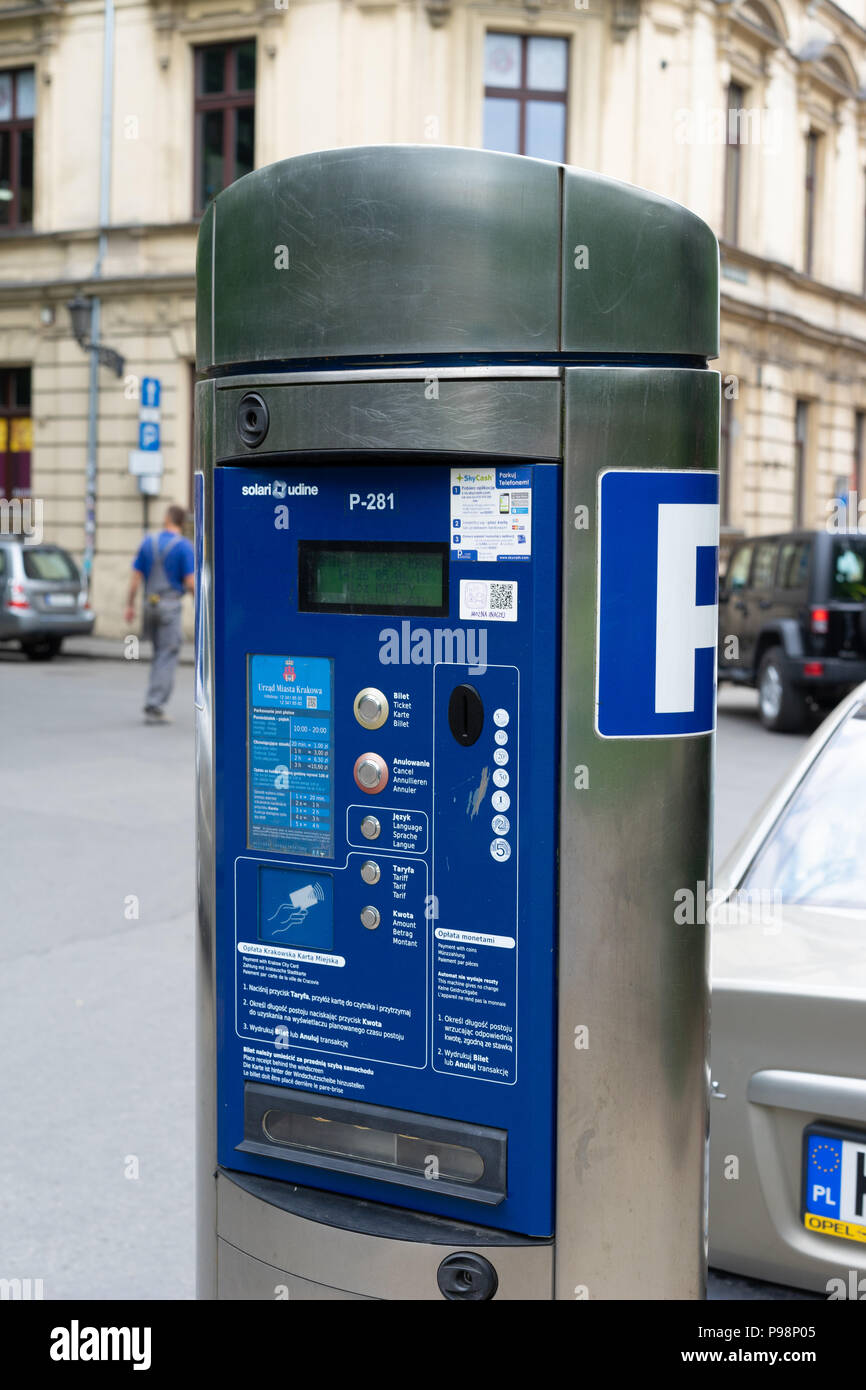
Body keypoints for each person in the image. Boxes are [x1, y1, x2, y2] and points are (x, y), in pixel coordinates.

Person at [125, 504, 195, 723]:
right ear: (182, 523)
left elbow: (136, 578)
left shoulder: (148, 542)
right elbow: (191, 582)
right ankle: (154, 705)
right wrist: (199, 605)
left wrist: (130, 606)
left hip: (149, 605)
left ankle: (153, 699)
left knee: (158, 653)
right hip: (169, 607)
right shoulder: (184, 547)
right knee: (167, 655)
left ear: (166, 519)